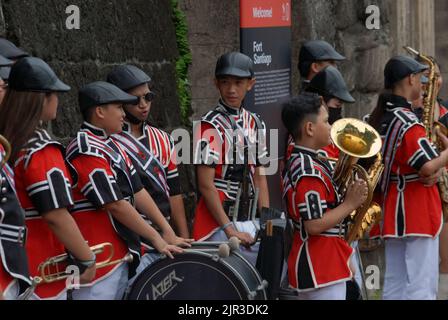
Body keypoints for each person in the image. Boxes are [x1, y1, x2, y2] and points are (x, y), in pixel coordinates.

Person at [65, 81, 186, 299]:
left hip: (119, 255)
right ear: (100, 111)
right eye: (119, 107)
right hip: (95, 261)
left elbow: (138, 192)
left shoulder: (111, 145)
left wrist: (167, 231)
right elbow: (116, 204)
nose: (124, 114)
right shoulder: (85, 147)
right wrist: (156, 238)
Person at [0, 57, 96, 300]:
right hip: (43, 269)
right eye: (55, 93)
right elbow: (55, 215)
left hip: (10, 265)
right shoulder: (41, 148)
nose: (58, 100)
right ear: (41, 98)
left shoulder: (7, 141)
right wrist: (87, 259)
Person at [368, 55, 448, 300]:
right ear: (411, 79)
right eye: (420, 78)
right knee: (422, 286)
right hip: (417, 211)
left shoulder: (382, 118)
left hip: (395, 210)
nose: (423, 84)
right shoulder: (407, 121)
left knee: (396, 283)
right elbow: (425, 167)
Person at [281, 93, 368, 300]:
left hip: (323, 263)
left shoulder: (307, 162)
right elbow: (314, 224)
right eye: (326, 121)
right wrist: (350, 203)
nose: (331, 127)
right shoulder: (307, 170)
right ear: (309, 128)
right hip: (320, 266)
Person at [192, 52, 269, 265]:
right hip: (218, 222)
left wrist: (267, 221)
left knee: (273, 264)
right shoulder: (208, 126)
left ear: (250, 84)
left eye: (238, 82)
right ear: (216, 83)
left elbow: (261, 176)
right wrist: (229, 229)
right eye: (225, 82)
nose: (231, 89)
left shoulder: (256, 122)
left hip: (250, 216)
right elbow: (205, 185)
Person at [106, 65, 190, 239]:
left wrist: (183, 234)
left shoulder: (163, 139)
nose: (143, 105)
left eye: (148, 97)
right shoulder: (108, 142)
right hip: (128, 235)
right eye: (135, 100)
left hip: (164, 232)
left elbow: (174, 192)